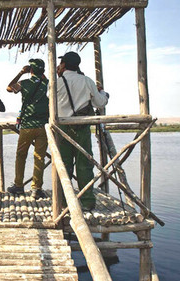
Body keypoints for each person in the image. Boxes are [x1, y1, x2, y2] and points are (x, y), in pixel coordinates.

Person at [56, 51, 109, 211]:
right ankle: (87, 201)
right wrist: (103, 93)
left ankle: (64, 202)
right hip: (82, 126)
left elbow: (50, 100)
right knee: (84, 164)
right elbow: (99, 103)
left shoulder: (56, 82)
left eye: (61, 63)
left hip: (63, 127)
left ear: (64, 65)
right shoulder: (86, 80)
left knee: (64, 164)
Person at [6, 59, 49, 199]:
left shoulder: (24, 83)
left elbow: (9, 87)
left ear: (30, 70)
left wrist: (21, 72)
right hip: (43, 125)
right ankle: (36, 188)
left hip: (27, 126)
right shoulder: (47, 84)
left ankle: (18, 185)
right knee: (40, 157)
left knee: (21, 156)